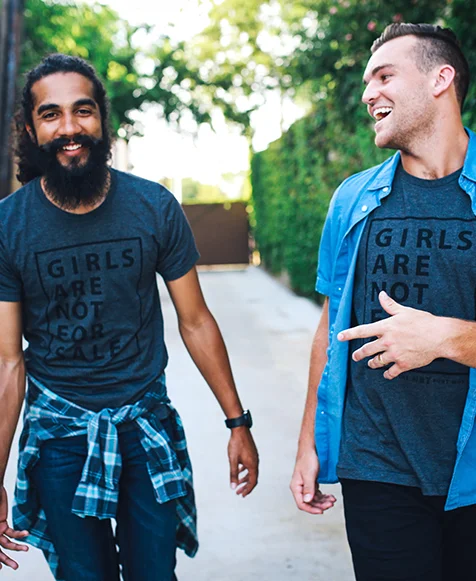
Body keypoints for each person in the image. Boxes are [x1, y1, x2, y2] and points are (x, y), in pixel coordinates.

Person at [0, 53, 258, 580]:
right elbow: (8, 361)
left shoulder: (153, 207)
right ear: (31, 129)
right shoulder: (10, 225)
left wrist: (238, 423)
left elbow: (196, 321)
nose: (69, 128)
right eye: (51, 114)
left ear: (102, 119)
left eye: (83, 110)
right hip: (59, 436)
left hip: (145, 426)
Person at [290, 22, 476, 581]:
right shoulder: (352, 198)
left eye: (385, 76)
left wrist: (446, 338)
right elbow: (331, 326)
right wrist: (309, 441)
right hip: (377, 464)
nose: (368, 93)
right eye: (368, 81)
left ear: (441, 79)